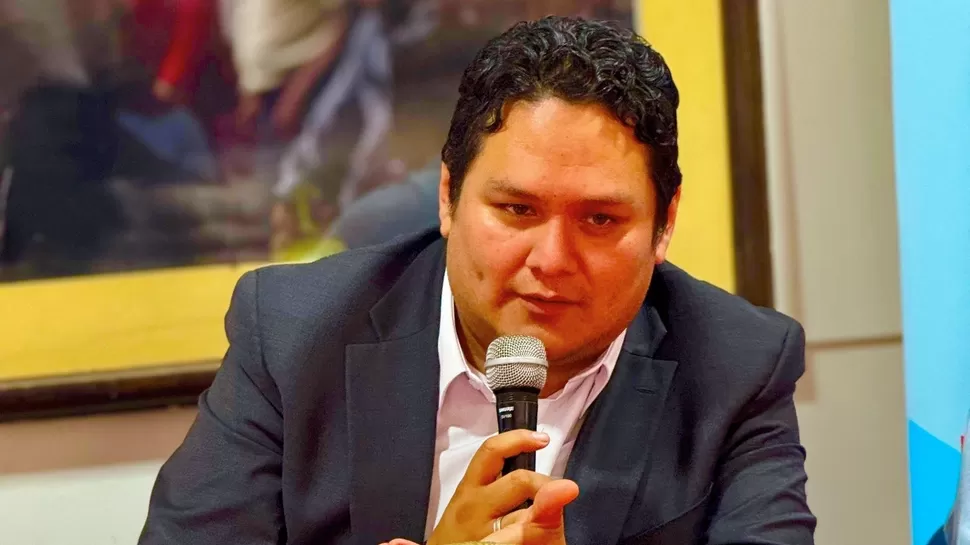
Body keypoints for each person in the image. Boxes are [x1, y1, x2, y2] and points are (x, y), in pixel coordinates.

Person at [138, 16, 816, 545]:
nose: (552, 258)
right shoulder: (294, 333)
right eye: (517, 209)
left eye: (600, 219)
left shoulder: (735, 366)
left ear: (664, 224)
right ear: (448, 197)